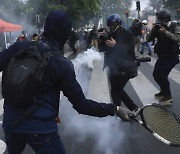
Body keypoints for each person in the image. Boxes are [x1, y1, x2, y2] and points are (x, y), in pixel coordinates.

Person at [0, 10, 134, 154]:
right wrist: (115, 109)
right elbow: (82, 106)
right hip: (40, 129)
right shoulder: (61, 63)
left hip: (11, 123)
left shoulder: (20, 47)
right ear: (64, 32)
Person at [100, 14, 140, 114]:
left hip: (125, 67)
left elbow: (129, 49)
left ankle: (117, 112)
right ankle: (133, 108)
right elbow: (102, 49)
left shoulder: (127, 34)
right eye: (110, 25)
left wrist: (115, 45)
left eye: (115, 24)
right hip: (113, 66)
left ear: (119, 24)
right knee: (117, 89)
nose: (112, 27)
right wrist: (101, 39)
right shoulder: (109, 34)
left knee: (115, 91)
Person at [147, 10, 180, 105]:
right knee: (155, 74)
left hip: (172, 56)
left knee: (162, 75)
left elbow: (177, 38)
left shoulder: (174, 26)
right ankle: (163, 91)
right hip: (162, 56)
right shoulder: (159, 28)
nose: (161, 21)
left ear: (167, 18)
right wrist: (153, 31)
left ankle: (168, 96)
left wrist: (165, 32)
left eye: (163, 19)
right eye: (160, 19)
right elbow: (149, 39)